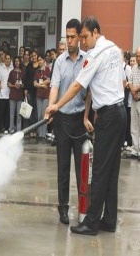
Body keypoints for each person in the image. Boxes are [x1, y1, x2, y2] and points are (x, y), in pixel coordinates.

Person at [45, 16, 127, 235]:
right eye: (77, 37)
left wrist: (55, 106)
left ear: (96, 33)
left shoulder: (95, 55)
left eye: (84, 36)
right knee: (111, 170)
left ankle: (91, 222)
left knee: (99, 170)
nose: (81, 41)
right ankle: (109, 219)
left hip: (109, 117)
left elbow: (76, 87)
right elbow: (103, 84)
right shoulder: (114, 49)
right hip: (119, 113)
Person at [47, 18, 87, 224]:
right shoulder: (60, 62)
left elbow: (89, 92)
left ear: (80, 37)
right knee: (63, 167)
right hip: (62, 121)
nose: (69, 41)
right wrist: (51, 106)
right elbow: (54, 87)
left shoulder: (87, 60)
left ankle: (83, 208)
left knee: (82, 169)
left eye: (72, 37)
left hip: (80, 121)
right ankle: (63, 208)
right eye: (67, 37)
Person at [34, 53, 51, 140]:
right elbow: (35, 84)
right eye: (38, 60)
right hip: (39, 95)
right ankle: (39, 133)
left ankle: (44, 134)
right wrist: (42, 85)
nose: (39, 62)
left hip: (46, 95)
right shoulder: (36, 71)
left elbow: (48, 80)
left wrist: (40, 84)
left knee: (45, 114)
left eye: (41, 60)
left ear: (44, 60)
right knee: (39, 114)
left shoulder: (47, 69)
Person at [128, 47, 140, 160]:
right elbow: (130, 81)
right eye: (137, 56)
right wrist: (133, 91)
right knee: (134, 127)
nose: (138, 58)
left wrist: (136, 90)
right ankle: (135, 150)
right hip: (134, 100)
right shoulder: (134, 68)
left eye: (139, 56)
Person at [7, 56, 24, 133]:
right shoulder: (11, 72)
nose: (17, 62)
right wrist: (14, 85)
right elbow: (8, 83)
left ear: (20, 62)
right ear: (14, 63)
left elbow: (24, 84)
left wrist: (21, 85)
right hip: (13, 95)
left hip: (20, 95)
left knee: (19, 114)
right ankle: (11, 128)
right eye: (16, 61)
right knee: (11, 113)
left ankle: (18, 129)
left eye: (18, 61)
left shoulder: (23, 72)